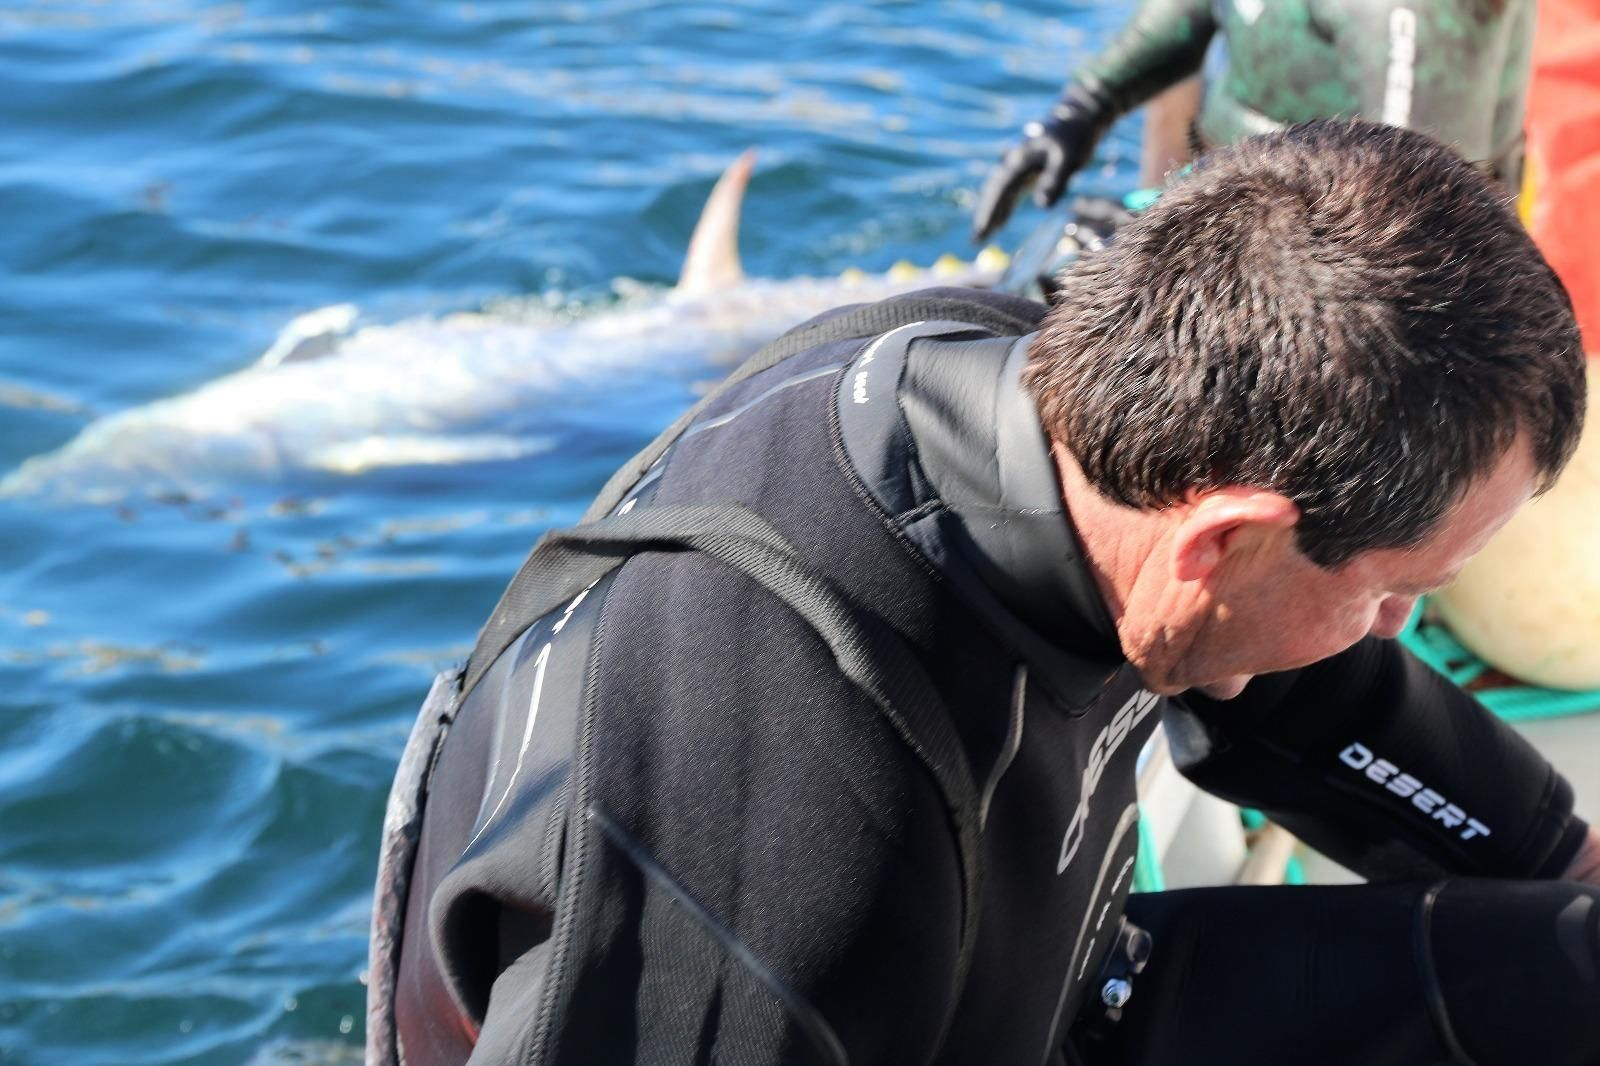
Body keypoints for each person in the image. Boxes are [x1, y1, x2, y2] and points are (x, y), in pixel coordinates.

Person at [367, 122, 1599, 1065]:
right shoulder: (784, 826)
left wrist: (1563, 857)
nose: (1395, 626)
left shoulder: (1054, 395)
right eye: (1392, 594)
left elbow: (1295, 683)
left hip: (1062, 987)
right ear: (1221, 546)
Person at [972, 0, 1536, 241]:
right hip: (1237, 204)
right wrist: (1083, 108)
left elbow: (1412, 212)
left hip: (1339, 260)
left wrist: (1191, 245)